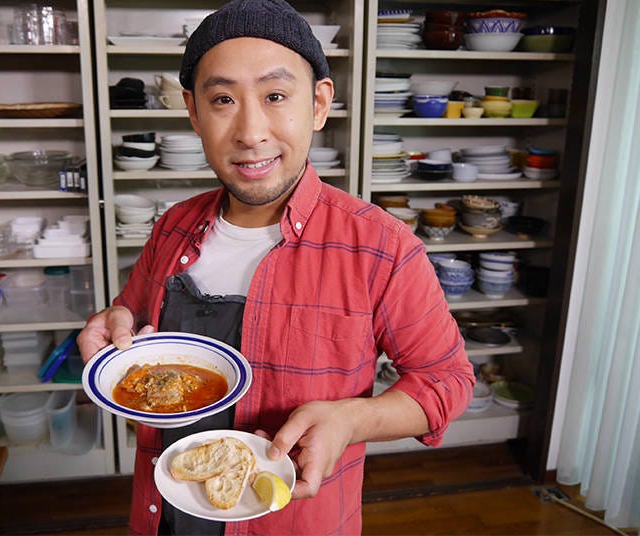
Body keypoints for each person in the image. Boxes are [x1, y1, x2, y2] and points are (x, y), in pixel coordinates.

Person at [78, 0, 474, 534]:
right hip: (168, 507)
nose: (250, 131)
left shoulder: (381, 247)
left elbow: (446, 380)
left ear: (318, 104)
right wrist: (113, 321)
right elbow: (133, 317)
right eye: (222, 99)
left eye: (275, 96)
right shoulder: (173, 226)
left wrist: (353, 419)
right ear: (193, 113)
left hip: (294, 519)